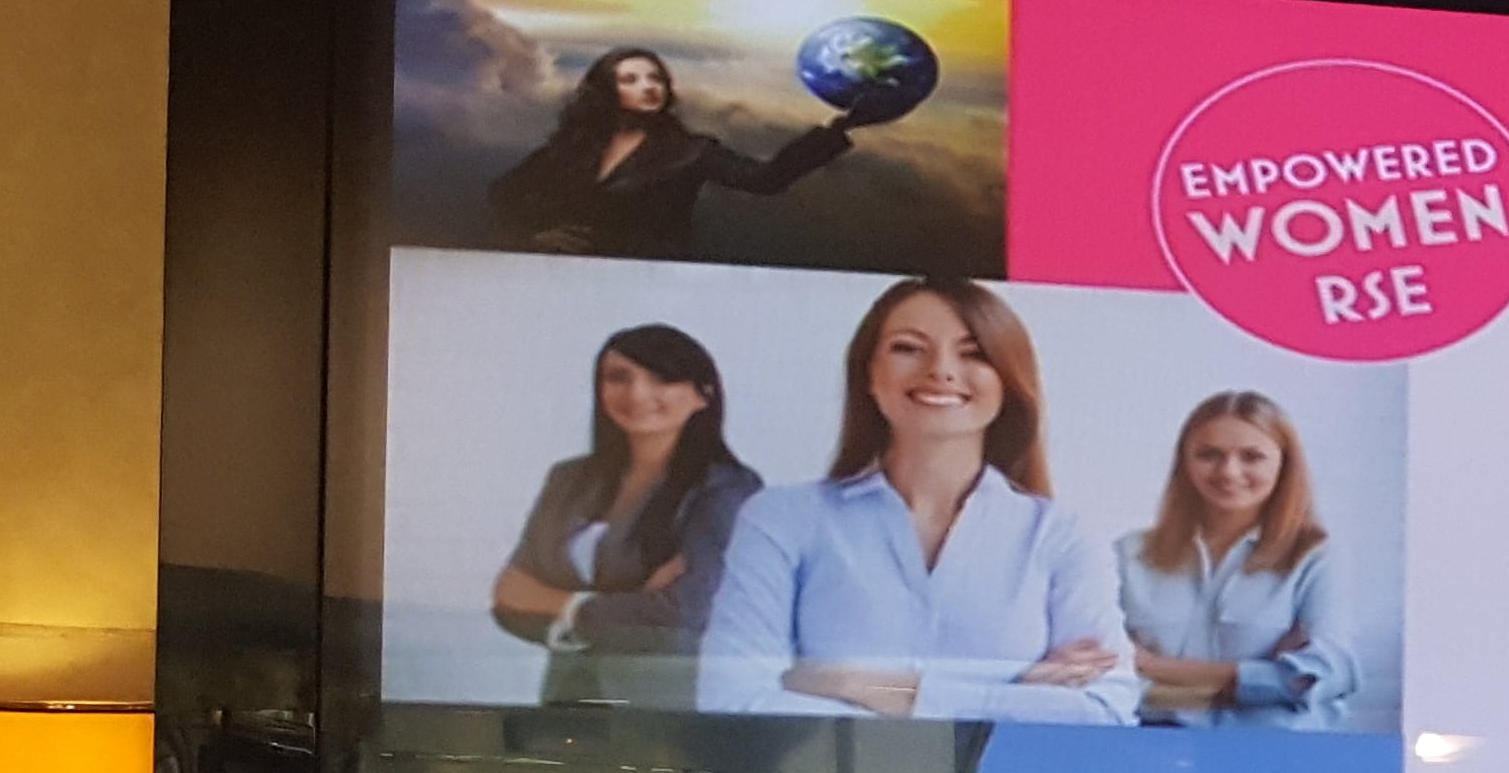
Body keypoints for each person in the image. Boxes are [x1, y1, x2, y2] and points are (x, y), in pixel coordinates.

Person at [699, 279, 1137, 723]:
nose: (941, 371)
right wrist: (1010, 697)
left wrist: (868, 687)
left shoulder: (1061, 535)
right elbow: (733, 701)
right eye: (908, 348)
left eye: (973, 353)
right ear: (868, 374)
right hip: (830, 772)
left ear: (1007, 381)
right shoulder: (781, 518)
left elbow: (1107, 711)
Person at [490, 326, 763, 709]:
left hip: (667, 709)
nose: (636, 393)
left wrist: (562, 606)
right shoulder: (569, 479)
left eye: (662, 379)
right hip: (565, 702)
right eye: (618, 377)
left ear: (703, 395)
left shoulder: (726, 489)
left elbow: (683, 612)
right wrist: (630, 604)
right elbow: (508, 600)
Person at [484, 45, 900, 261]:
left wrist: (837, 130)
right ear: (605, 90)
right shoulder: (571, 147)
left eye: (656, 78)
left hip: (652, 283)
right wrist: (532, 237)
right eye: (631, 79)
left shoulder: (691, 151)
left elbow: (767, 180)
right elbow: (503, 193)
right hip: (566, 277)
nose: (650, 87)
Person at [1118, 391, 1364, 729]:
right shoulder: (1129, 555)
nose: (1229, 471)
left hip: (1275, 752)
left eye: (1252, 457)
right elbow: (1099, 669)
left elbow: (1326, 674)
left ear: (1284, 464)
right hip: (1153, 746)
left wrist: (1155, 667)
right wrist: (1264, 681)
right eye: (1209, 455)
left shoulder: (1314, 557)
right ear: (1184, 463)